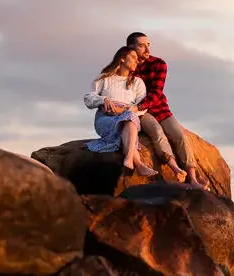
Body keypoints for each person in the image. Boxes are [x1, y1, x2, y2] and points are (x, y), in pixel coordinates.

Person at [83, 46, 184, 178]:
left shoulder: (137, 82)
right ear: (123, 58)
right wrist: (103, 100)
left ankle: (129, 159)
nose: (137, 61)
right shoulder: (104, 79)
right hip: (106, 118)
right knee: (128, 121)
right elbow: (88, 98)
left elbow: (142, 108)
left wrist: (123, 110)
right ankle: (138, 163)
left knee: (130, 118)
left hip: (129, 117)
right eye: (134, 58)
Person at [126, 31, 208, 189]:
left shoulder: (158, 64)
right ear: (131, 47)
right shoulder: (127, 66)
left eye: (148, 45)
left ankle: (192, 179)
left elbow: (156, 92)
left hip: (158, 107)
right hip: (141, 113)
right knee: (157, 133)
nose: (147, 49)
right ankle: (175, 169)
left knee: (180, 136)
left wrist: (140, 106)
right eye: (142, 46)